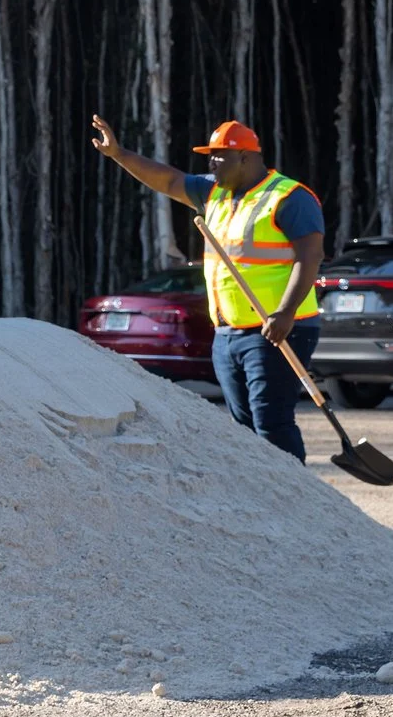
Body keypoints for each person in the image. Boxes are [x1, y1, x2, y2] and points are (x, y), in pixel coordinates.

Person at [91, 116, 326, 460]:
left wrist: (285, 312)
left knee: (271, 421)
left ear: (245, 158)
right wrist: (119, 154)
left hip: (277, 329)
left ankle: (293, 503)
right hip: (228, 334)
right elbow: (168, 180)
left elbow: (311, 254)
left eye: (219, 156)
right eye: (210, 157)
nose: (212, 163)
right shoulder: (213, 192)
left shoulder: (289, 197)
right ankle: (257, 498)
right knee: (242, 426)